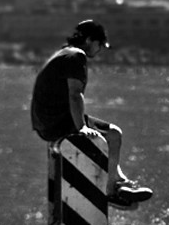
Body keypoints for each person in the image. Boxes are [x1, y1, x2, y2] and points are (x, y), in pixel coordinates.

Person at [31, 19, 152, 210]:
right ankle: (111, 191)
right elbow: (74, 93)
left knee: (109, 137)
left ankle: (120, 181)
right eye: (99, 44)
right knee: (114, 135)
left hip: (46, 121)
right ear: (89, 40)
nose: (100, 50)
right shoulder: (76, 56)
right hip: (57, 122)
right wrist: (82, 127)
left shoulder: (63, 53)